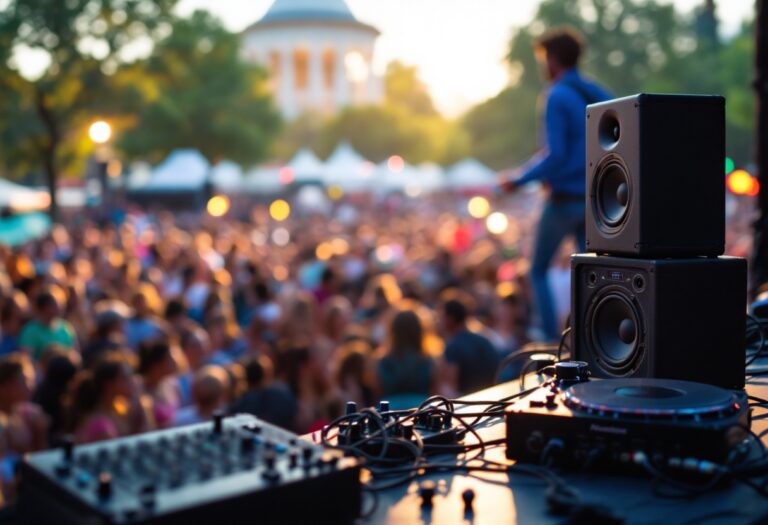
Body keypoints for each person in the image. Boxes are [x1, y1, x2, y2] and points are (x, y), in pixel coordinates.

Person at [501, 27, 612, 341]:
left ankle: (551, 341)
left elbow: (557, 154)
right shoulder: (597, 93)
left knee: (537, 270)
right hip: (595, 200)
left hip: (563, 199)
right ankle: (595, 336)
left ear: (552, 59)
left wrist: (518, 179)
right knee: (589, 274)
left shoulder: (557, 95)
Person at [439, 291, 498, 395]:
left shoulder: (453, 347)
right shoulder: (484, 341)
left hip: (465, 404)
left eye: (442, 316)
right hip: (489, 400)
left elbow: (451, 387)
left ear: (450, 318)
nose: (440, 321)